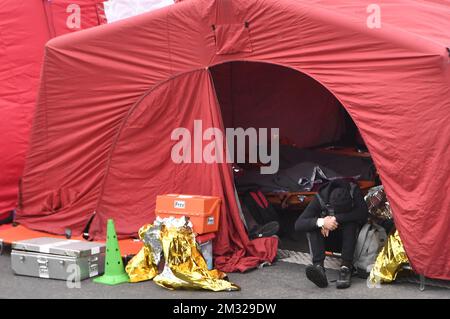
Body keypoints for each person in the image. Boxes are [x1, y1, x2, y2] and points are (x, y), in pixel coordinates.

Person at [295, 180, 368, 289]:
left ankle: (346, 267)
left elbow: (363, 213)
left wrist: (336, 218)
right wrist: (322, 222)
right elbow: (298, 224)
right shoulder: (320, 197)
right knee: (313, 226)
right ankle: (319, 267)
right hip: (327, 239)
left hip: (350, 243)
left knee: (350, 223)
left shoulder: (353, 191)